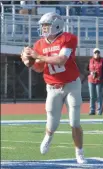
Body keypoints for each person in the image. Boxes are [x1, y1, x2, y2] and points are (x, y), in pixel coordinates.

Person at [21, 12, 87, 164]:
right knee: (52, 122)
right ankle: (48, 136)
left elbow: (61, 60)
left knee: (75, 121)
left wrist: (38, 55)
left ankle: (79, 152)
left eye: (46, 25)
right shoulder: (39, 44)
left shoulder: (68, 38)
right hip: (52, 87)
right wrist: (29, 63)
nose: (43, 28)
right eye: (43, 26)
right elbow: (39, 68)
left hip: (71, 85)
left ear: (57, 25)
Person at [87, 48, 103, 115]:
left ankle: (99, 111)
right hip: (91, 80)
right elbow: (86, 69)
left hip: (99, 81)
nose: (97, 54)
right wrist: (91, 73)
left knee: (99, 96)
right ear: (93, 54)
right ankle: (92, 110)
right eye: (95, 53)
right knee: (92, 96)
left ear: (99, 54)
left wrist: (101, 77)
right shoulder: (90, 61)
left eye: (98, 53)